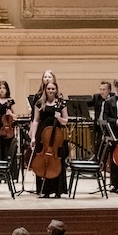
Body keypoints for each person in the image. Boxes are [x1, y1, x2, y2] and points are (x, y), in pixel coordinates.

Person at [29, 70, 68, 198]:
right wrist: (33, 137)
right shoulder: (39, 103)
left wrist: (59, 118)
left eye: (53, 89)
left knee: (56, 162)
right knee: (42, 161)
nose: (51, 91)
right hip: (43, 136)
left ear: (56, 90)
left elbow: (65, 121)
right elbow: (35, 120)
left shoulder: (61, 103)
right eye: (49, 89)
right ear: (45, 89)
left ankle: (57, 190)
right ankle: (44, 190)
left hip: (57, 137)